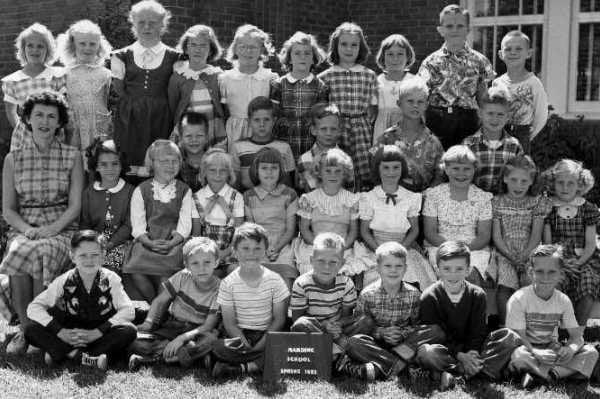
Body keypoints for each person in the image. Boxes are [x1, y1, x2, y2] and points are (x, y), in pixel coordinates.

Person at [1, 91, 83, 355]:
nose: (45, 121)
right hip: (25, 225)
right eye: (39, 115)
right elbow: (8, 209)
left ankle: (40, 329)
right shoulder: (13, 159)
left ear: (60, 122)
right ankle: (27, 331)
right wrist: (27, 230)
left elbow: (75, 206)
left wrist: (51, 229)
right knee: (19, 249)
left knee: (43, 250)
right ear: (27, 118)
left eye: (51, 116)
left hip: (61, 225)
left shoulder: (73, 156)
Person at [416, 241, 523, 390]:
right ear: (438, 269)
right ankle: (479, 372)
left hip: (474, 350)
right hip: (448, 350)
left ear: (468, 270)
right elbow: (433, 335)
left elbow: (478, 331)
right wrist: (461, 356)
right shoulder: (429, 296)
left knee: (509, 337)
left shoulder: (477, 294)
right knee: (427, 353)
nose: (453, 274)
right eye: (446, 269)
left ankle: (457, 373)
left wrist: (471, 353)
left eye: (459, 269)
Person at [25, 230, 136, 370]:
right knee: (31, 329)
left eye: (95, 255)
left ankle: (63, 355)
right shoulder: (64, 280)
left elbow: (128, 310)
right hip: (70, 335)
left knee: (129, 330)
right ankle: (86, 357)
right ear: (73, 257)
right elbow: (34, 307)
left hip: (99, 334)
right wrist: (60, 331)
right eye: (83, 255)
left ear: (103, 256)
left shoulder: (111, 279)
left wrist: (98, 332)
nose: (89, 261)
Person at [339, 242, 445, 380]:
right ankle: (401, 366)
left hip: (405, 345)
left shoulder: (414, 294)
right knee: (354, 342)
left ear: (405, 268)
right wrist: (381, 333)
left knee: (436, 330)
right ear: (378, 268)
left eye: (398, 266)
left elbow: (418, 326)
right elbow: (362, 327)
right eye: (387, 266)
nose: (393, 270)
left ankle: (385, 366)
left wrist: (402, 333)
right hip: (377, 346)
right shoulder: (367, 294)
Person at [507, 244, 599, 388]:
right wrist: (536, 352)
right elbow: (518, 337)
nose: (545, 277)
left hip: (551, 349)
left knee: (591, 352)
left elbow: (576, 336)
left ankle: (547, 375)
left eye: (552, 272)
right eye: (540, 271)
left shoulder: (563, 300)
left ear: (561, 274)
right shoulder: (519, 299)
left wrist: (570, 349)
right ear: (531, 272)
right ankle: (558, 374)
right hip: (528, 348)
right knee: (518, 356)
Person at [128, 237, 220, 370]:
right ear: (187, 265)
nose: (202, 268)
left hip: (197, 331)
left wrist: (180, 339)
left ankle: (154, 359)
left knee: (210, 340)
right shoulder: (182, 277)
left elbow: (208, 325)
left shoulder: (220, 289)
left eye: (207, 262)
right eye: (195, 263)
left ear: (216, 262)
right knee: (136, 344)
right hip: (174, 325)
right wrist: (148, 322)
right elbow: (160, 301)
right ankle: (185, 356)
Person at [211, 223, 289, 377]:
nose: (251, 254)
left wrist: (264, 341)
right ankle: (254, 362)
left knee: (283, 347)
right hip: (238, 335)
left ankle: (241, 367)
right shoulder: (228, 283)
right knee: (217, 346)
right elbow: (229, 323)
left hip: (266, 333)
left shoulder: (275, 280)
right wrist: (244, 342)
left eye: (257, 249)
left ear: (265, 251)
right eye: (245, 248)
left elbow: (280, 319)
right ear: (235, 252)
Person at [124, 140, 197, 302]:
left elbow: (185, 225)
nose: (170, 166)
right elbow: (138, 225)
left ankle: (159, 311)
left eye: (174, 161)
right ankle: (155, 306)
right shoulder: (141, 190)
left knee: (166, 276)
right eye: (164, 161)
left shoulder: (184, 190)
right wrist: (148, 242)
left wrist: (172, 243)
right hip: (147, 241)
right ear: (152, 164)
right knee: (135, 271)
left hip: (174, 242)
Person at [111, 0, 182, 168]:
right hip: (129, 118)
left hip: (161, 117)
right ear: (134, 24)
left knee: (159, 162)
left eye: (153, 23)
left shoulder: (175, 57)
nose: (147, 27)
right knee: (128, 163)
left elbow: (176, 91)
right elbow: (119, 89)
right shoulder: (121, 56)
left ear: (162, 25)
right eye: (141, 22)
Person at [357, 145, 435, 290]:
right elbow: (365, 231)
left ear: (402, 169)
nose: (391, 172)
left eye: (395, 167)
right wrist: (381, 251)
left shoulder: (410, 197)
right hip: (377, 247)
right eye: (385, 167)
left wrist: (401, 250)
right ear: (378, 169)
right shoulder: (369, 197)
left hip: (403, 246)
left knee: (411, 279)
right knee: (379, 282)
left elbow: (414, 230)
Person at [418, 4, 494, 149]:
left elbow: (483, 97)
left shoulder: (479, 60)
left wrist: (487, 125)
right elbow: (422, 97)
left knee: (467, 164)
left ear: (468, 29)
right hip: (438, 121)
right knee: (441, 165)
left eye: (460, 26)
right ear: (441, 30)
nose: (454, 30)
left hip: (469, 121)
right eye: (449, 26)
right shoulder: (430, 62)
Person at [489, 155, 550, 324]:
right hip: (505, 252)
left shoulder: (537, 203)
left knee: (530, 283)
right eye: (514, 180)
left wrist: (525, 255)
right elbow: (496, 236)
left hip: (530, 251)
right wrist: (510, 255)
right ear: (505, 178)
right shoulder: (497, 202)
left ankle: (534, 327)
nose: (519, 185)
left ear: (531, 182)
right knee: (504, 287)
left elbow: (536, 235)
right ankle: (506, 327)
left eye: (524, 181)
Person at [293, 149, 366, 288]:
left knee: (343, 273)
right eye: (328, 171)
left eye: (338, 171)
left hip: (343, 247)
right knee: (313, 272)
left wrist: (341, 248)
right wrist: (320, 248)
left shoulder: (351, 200)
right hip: (315, 246)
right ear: (319, 173)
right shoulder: (310, 199)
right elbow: (304, 229)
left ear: (344, 173)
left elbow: (353, 231)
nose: (333, 175)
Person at [319, 22, 378, 191]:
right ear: (335, 46)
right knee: (338, 167)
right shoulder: (326, 76)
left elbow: (373, 107)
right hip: (337, 128)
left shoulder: (369, 75)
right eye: (344, 44)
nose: (349, 49)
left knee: (363, 169)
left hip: (361, 129)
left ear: (361, 48)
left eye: (354, 45)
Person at [423, 145, 492, 286]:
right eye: (455, 168)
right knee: (447, 272)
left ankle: (472, 304)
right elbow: (430, 232)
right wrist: (450, 249)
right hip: (440, 245)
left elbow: (484, 235)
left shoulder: (482, 197)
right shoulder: (434, 195)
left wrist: (465, 250)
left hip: (473, 247)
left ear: (474, 170)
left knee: (471, 275)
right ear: (446, 169)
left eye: (467, 169)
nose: (461, 174)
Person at [543, 159, 600, 325]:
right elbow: (548, 242)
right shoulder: (548, 207)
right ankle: (551, 332)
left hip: (584, 259)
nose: (565, 187)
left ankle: (578, 333)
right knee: (553, 283)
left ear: (580, 184)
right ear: (553, 183)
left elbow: (590, 243)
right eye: (560, 183)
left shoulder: (587, 208)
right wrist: (559, 263)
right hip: (558, 258)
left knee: (588, 283)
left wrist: (578, 263)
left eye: (570, 183)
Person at [290, 232, 360, 358]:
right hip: (315, 330)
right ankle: (336, 353)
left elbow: (347, 315)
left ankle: (332, 352)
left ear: (342, 263)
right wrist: (324, 326)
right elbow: (297, 318)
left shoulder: (346, 283)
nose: (326, 267)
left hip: (337, 330)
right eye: (321, 261)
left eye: (333, 262)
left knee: (365, 320)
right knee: (302, 324)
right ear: (311, 260)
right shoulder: (301, 283)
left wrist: (337, 326)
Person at [372, 77, 444, 192]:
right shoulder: (386, 138)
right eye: (410, 101)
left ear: (426, 105)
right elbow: (374, 168)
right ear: (399, 103)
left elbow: (440, 174)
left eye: (420, 102)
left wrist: (428, 196)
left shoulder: (433, 142)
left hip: (423, 201)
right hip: (392, 200)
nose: (415, 105)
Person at [2, 23, 65, 151]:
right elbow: (11, 111)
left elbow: (65, 108)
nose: (34, 50)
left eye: (40, 46)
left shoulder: (57, 76)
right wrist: (25, 131)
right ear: (23, 49)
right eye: (30, 45)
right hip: (26, 139)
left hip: (53, 135)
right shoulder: (14, 81)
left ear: (48, 50)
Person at [243, 148, 298, 287]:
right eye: (264, 168)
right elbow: (251, 229)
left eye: (274, 168)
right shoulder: (249, 196)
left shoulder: (289, 194)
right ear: (256, 170)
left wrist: (277, 248)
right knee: (256, 278)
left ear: (281, 171)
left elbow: (291, 229)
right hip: (257, 243)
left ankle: (285, 307)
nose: (269, 172)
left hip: (283, 243)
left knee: (285, 278)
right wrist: (263, 247)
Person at [270, 31, 328, 160]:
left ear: (314, 58)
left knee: (308, 177)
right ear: (289, 58)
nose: (303, 57)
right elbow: (274, 116)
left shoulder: (320, 87)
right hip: (284, 144)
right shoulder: (278, 85)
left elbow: (321, 118)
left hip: (311, 145)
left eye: (307, 53)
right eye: (297, 53)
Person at [57, 19, 112, 154]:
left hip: (99, 125)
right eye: (82, 43)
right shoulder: (64, 73)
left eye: (92, 44)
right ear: (73, 45)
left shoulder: (106, 74)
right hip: (74, 126)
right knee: (76, 163)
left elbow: (112, 102)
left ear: (99, 46)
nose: (87, 48)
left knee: (99, 160)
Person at [219, 24, 277, 149]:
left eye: (253, 47)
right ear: (235, 49)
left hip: (263, 130)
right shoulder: (225, 79)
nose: (248, 51)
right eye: (243, 46)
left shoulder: (270, 78)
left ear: (262, 50)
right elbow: (223, 112)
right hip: (235, 132)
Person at [81, 138, 134, 274]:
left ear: (121, 165)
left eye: (115, 164)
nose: (110, 169)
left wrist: (110, 244)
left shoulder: (130, 191)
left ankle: (107, 294)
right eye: (104, 164)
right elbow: (85, 223)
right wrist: (92, 243)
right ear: (96, 166)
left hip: (121, 243)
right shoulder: (88, 193)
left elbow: (129, 225)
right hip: (94, 243)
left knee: (107, 269)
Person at [168, 24, 226, 147]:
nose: (197, 49)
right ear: (186, 48)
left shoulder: (218, 75)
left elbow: (223, 105)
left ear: (211, 50)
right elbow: (173, 106)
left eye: (203, 45)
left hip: (212, 128)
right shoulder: (178, 77)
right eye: (193, 45)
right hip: (188, 129)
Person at [493, 30, 548, 153]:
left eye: (518, 49)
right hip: (499, 133)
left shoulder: (533, 83)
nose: (513, 52)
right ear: (501, 54)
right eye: (508, 49)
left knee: (519, 168)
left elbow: (541, 113)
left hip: (522, 133)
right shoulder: (497, 83)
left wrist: (529, 135)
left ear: (528, 53)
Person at [462, 85, 524, 194]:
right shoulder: (469, 144)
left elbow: (520, 177)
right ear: (480, 113)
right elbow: (461, 177)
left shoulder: (514, 146)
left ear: (507, 116)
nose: (495, 119)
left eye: (500, 114)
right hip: (475, 202)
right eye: (490, 113)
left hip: (503, 203)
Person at [229, 96, 295, 191]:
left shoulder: (284, 148)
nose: (262, 124)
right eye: (256, 120)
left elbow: (288, 184)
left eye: (266, 119)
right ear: (249, 121)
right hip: (247, 200)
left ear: (274, 121)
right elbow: (235, 184)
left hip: (277, 201)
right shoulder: (238, 147)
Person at [193, 148, 244, 267]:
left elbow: (239, 230)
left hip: (231, 249)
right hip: (205, 251)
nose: (217, 175)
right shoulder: (196, 198)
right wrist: (208, 254)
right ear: (204, 173)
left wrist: (227, 251)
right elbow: (196, 234)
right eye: (212, 170)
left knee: (233, 270)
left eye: (223, 171)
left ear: (229, 173)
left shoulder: (236, 197)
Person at [372, 34, 416, 143]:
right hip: (382, 129)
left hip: (407, 127)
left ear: (408, 57)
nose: (395, 59)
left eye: (400, 54)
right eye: (390, 54)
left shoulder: (414, 81)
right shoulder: (377, 82)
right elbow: (372, 112)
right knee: (383, 156)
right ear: (383, 57)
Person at [296, 102, 347, 193]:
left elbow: (351, 191)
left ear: (339, 131)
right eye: (323, 129)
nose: (328, 133)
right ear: (314, 130)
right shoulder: (304, 160)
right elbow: (303, 192)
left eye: (333, 129)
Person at [175, 111, 211, 192]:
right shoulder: (174, 162)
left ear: (207, 137)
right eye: (188, 136)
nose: (194, 140)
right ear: (180, 138)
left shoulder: (215, 160)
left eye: (199, 135)